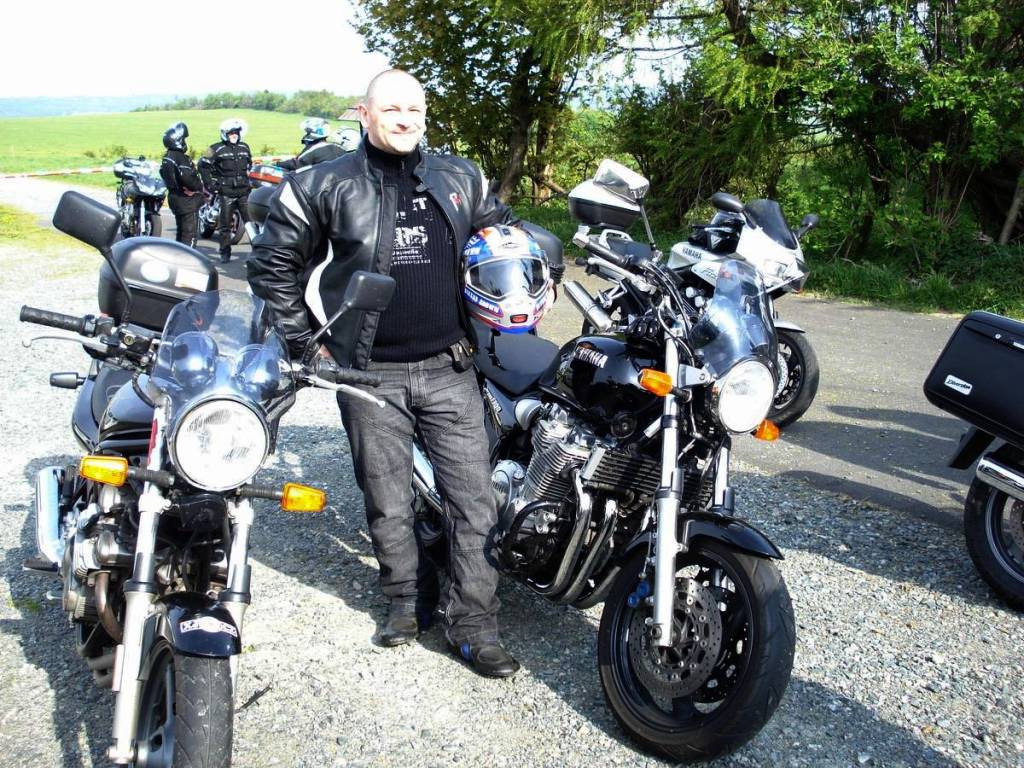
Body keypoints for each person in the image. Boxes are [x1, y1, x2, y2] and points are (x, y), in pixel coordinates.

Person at [246, 69, 523, 678]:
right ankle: (404, 600)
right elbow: (272, 264)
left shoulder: (460, 177)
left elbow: (506, 235)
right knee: (388, 500)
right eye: (392, 109)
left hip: (450, 366)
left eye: (414, 110)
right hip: (369, 374)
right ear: (364, 113)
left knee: (475, 503)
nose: (405, 119)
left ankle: (474, 625)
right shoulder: (323, 184)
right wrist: (306, 342)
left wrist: (534, 276)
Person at [199, 118, 252, 262]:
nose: (234, 135)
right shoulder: (214, 148)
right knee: (224, 226)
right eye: (231, 133)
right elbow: (202, 165)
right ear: (224, 134)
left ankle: (257, 253)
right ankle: (225, 253)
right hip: (226, 192)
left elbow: (250, 165)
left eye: (236, 132)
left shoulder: (245, 147)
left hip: (244, 192)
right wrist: (210, 184)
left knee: (251, 224)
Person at [159, 122, 203, 247]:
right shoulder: (180, 157)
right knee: (189, 237)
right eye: (183, 139)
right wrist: (197, 187)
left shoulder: (167, 157)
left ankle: (178, 255)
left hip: (174, 197)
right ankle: (188, 258)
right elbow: (187, 177)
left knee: (181, 234)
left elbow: (162, 173)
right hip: (186, 201)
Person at [277, 117, 347, 171]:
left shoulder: (313, 150)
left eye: (307, 132)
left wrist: (278, 164)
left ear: (313, 134)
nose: (305, 135)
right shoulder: (338, 148)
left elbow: (296, 165)